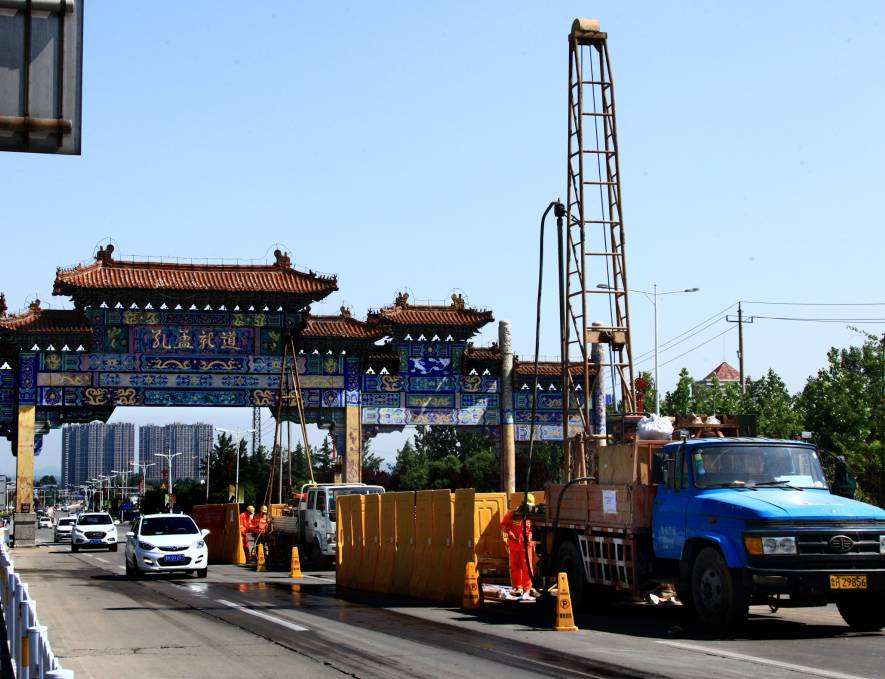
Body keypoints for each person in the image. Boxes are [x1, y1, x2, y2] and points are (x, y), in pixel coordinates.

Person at [500, 494, 537, 600]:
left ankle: (527, 588)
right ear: (523, 504)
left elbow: (536, 528)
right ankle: (518, 587)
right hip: (514, 545)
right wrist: (509, 531)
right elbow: (503, 525)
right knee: (514, 566)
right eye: (527, 506)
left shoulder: (532, 515)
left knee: (527, 567)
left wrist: (531, 536)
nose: (528, 508)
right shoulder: (513, 514)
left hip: (526, 546)